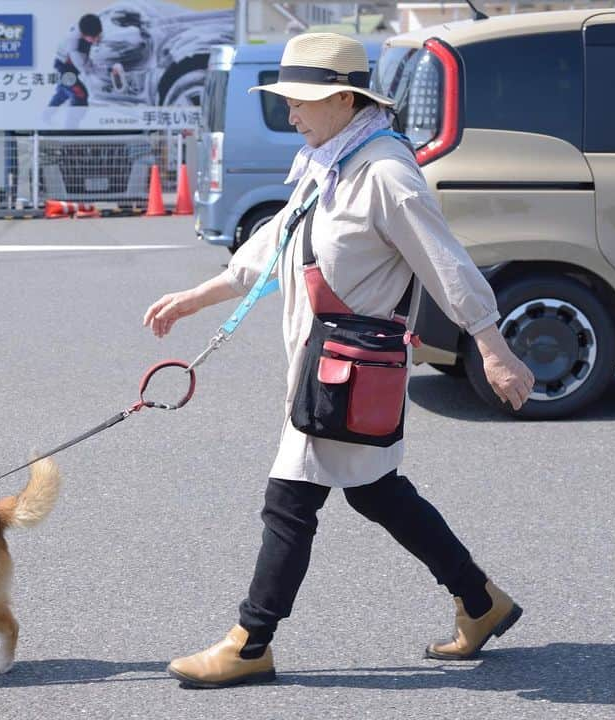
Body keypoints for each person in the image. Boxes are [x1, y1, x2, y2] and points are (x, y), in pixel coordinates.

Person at [142, 33, 535, 689]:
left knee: (288, 503)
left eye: (300, 100)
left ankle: (251, 640)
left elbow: (447, 265)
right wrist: (196, 298)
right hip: (327, 370)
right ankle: (479, 599)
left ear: (345, 99)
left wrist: (494, 349)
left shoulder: (384, 172)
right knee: (379, 493)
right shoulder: (327, 162)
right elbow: (274, 245)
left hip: (346, 374)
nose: (290, 113)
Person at [48, 13, 121, 107]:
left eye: (98, 35)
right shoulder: (77, 49)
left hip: (68, 65)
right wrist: (109, 70)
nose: (96, 40)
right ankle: (70, 122)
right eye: (93, 38)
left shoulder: (86, 27)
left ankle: (45, 116)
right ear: (83, 35)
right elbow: (89, 69)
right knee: (80, 95)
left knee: (63, 92)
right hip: (64, 69)